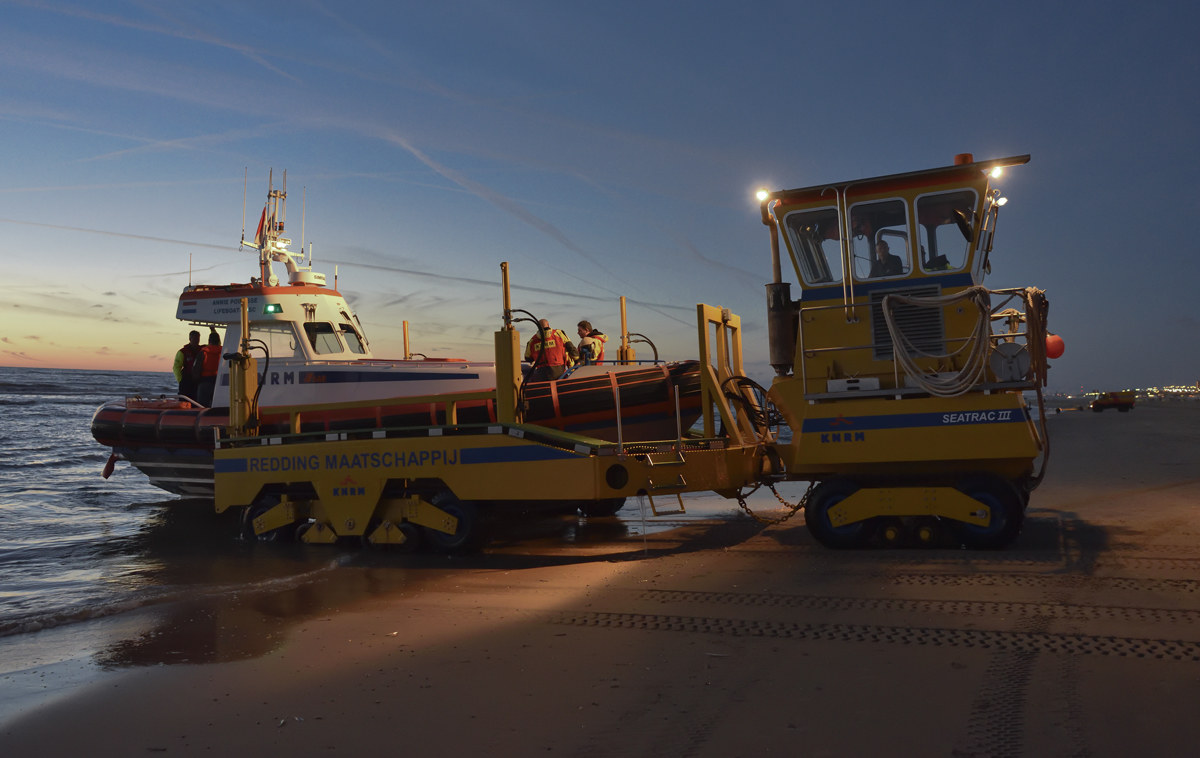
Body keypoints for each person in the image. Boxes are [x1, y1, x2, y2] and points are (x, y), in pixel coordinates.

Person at [195, 331, 223, 407]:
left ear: (209, 340)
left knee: (202, 405)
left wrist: (195, 381)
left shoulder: (203, 352)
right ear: (218, 341)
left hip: (205, 381)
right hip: (220, 382)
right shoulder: (223, 351)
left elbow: (196, 368)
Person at [173, 330, 202, 400]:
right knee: (184, 400)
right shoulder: (182, 352)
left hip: (199, 380)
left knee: (197, 400)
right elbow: (176, 367)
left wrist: (213, 331)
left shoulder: (203, 350)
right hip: (186, 380)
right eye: (194, 338)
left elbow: (215, 345)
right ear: (190, 339)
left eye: (198, 338)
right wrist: (180, 380)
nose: (196, 340)